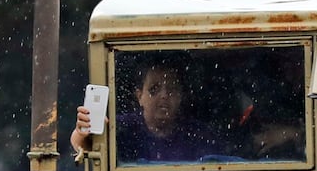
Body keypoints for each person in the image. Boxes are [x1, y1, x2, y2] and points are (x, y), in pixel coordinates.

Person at [72, 64, 221, 163]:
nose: (164, 96)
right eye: (154, 89)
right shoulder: (120, 128)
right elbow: (81, 145)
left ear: (181, 97)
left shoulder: (199, 134)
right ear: (139, 96)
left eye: (172, 89)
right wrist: (84, 130)